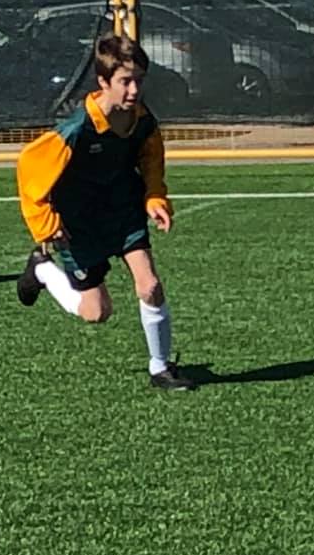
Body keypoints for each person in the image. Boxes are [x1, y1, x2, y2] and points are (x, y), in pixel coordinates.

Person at [14, 31, 195, 391]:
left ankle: (160, 368)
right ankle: (43, 270)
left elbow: (151, 160)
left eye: (139, 80)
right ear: (103, 82)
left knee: (150, 286)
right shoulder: (77, 128)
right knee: (96, 312)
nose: (134, 90)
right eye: (125, 82)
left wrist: (154, 197)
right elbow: (29, 168)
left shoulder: (143, 119)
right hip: (79, 223)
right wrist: (45, 224)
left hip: (123, 211)